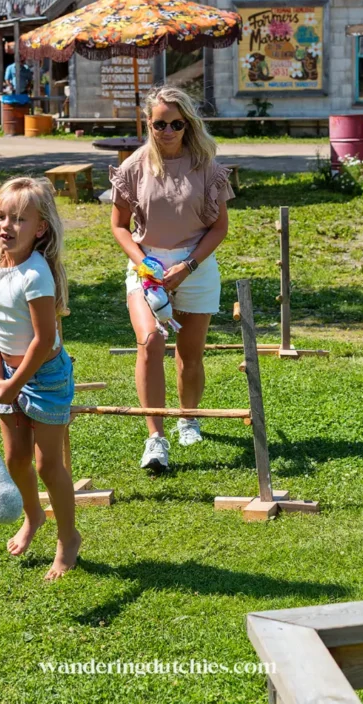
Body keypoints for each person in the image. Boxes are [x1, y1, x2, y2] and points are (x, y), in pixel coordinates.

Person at [109, 86, 234, 474]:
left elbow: (219, 229)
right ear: (148, 123)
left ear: (188, 124)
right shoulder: (133, 166)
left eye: (176, 124)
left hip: (194, 265)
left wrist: (188, 267)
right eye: (159, 123)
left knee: (189, 354)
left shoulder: (207, 167)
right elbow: (118, 226)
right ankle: (154, 439)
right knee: (150, 342)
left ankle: (188, 418)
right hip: (148, 269)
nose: (167, 131)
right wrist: (143, 263)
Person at [0, 176, 80, 579]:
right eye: (1, 216)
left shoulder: (35, 276)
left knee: (46, 464)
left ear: (39, 229)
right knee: (14, 458)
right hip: (7, 374)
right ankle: (33, 515)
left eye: (19, 219)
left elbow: (43, 339)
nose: (7, 226)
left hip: (45, 376)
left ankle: (68, 537)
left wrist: (15, 384)